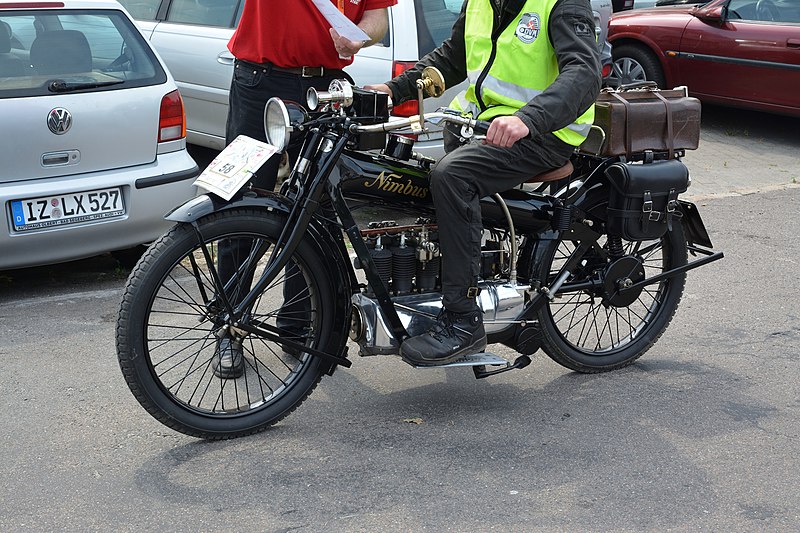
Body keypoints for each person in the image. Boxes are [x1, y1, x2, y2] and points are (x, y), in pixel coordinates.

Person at [367, 0, 601, 366]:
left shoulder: (561, 3)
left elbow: (584, 73)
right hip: (483, 126)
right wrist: (392, 90)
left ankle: (463, 319)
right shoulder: (481, 2)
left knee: (453, 177)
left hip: (544, 132)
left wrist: (529, 119)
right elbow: (450, 60)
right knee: (410, 179)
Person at [213, 0, 397, 379]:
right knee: (240, 206)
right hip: (261, 81)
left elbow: (377, 17)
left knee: (319, 213)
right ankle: (228, 326)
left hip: (326, 86)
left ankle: (297, 328)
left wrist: (359, 38)